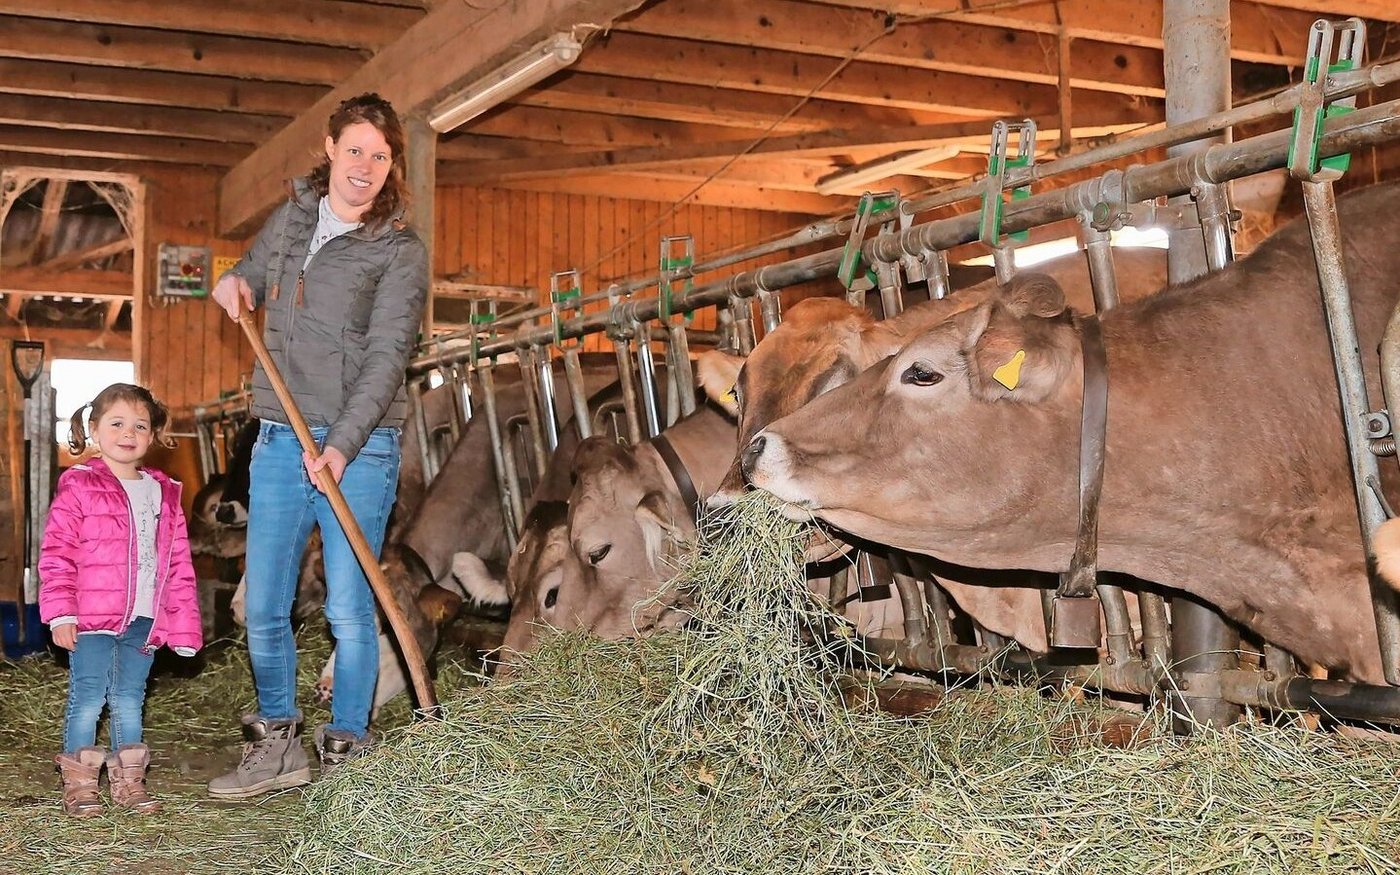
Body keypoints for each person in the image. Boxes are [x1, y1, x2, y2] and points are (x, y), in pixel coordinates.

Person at [206, 92, 427, 799]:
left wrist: (344, 446)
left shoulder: (398, 249)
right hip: (278, 435)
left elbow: (388, 356)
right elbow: (250, 271)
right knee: (265, 601)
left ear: (392, 165)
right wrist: (233, 283)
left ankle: (347, 751)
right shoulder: (295, 216)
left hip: (359, 447)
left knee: (346, 608)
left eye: (380, 155)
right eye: (354, 149)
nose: (364, 166)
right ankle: (277, 744)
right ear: (330, 148)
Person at [39, 383, 204, 818]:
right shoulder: (79, 486)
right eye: (117, 423)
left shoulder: (164, 492)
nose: (128, 433)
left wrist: (183, 624)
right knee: (89, 696)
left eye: (140, 426)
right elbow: (57, 553)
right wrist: (60, 612)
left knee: (130, 696)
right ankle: (80, 787)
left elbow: (179, 565)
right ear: (94, 430)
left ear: (152, 436)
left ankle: (129, 784)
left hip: (145, 617)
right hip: (90, 616)